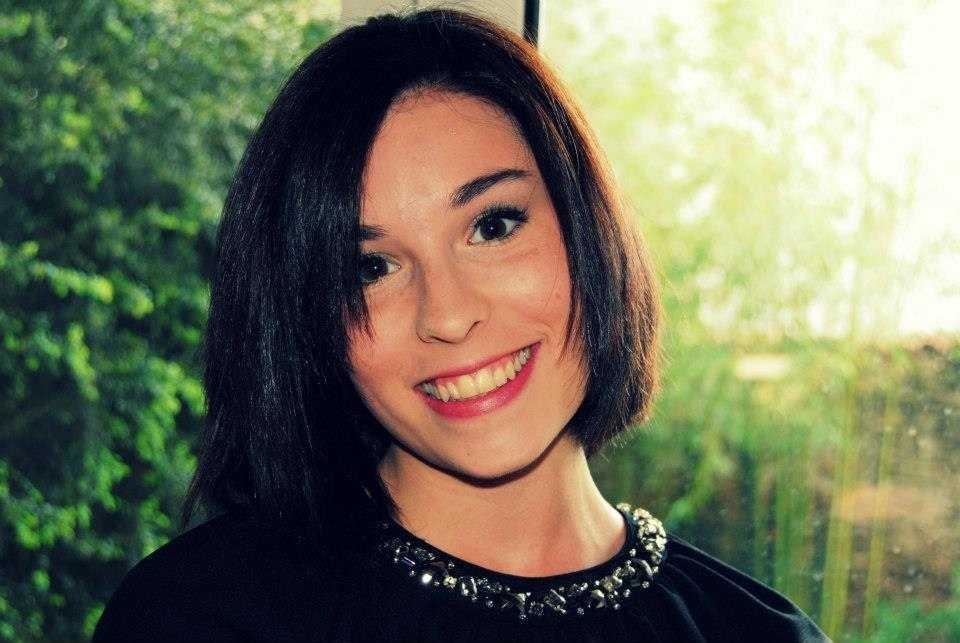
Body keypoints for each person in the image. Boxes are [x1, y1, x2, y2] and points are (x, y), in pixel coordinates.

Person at [93, 8, 829, 642]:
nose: (446, 315)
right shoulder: (200, 616)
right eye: (370, 268)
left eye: (494, 225)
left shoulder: (762, 633)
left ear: (588, 228)